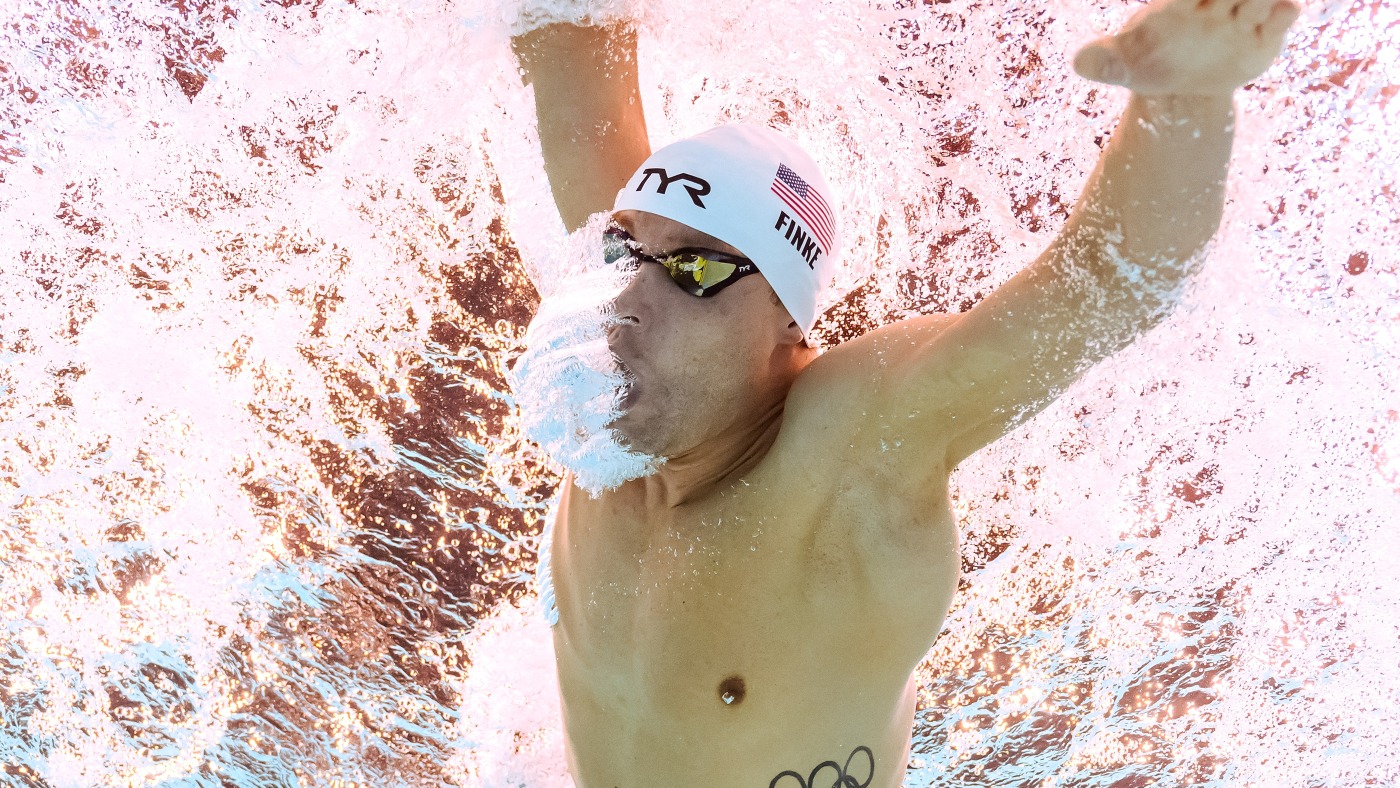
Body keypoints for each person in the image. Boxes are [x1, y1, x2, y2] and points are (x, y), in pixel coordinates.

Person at [508, 0, 1299, 784]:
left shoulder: (846, 456)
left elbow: (1101, 287)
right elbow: (568, 37)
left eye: (693, 271)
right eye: (623, 250)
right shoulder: (613, 329)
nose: (627, 298)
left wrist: (1187, 102)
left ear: (788, 317)